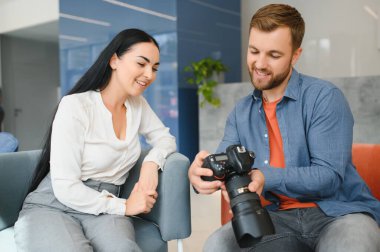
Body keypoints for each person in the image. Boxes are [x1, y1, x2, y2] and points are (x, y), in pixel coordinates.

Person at [189, 4, 380, 252]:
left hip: (340, 213)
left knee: (353, 246)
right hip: (276, 218)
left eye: (274, 55)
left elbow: (329, 177)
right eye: (254, 51)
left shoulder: (324, 97)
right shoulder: (240, 113)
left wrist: (266, 176)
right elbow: (225, 166)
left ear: (295, 55)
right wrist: (202, 176)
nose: (260, 63)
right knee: (217, 244)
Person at [14, 28, 176, 252]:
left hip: (104, 205)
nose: (149, 74)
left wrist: (151, 164)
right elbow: (66, 187)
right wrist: (125, 206)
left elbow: (165, 139)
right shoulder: (76, 105)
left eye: (155, 67)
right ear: (114, 61)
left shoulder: (138, 106)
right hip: (53, 204)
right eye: (141, 64)